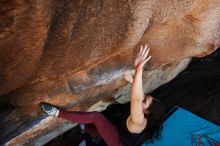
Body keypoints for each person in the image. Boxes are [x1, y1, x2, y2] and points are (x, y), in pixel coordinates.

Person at [40, 44, 165, 146]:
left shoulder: (139, 122)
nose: (143, 97)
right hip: (118, 134)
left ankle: (56, 113)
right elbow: (140, 96)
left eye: (145, 102)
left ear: (147, 112)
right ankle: (85, 129)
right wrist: (132, 81)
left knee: (97, 118)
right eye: (145, 97)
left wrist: (139, 69)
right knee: (104, 130)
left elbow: (137, 99)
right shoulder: (144, 109)